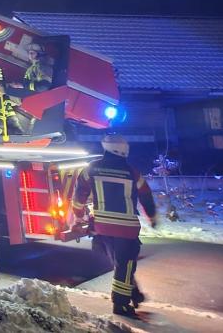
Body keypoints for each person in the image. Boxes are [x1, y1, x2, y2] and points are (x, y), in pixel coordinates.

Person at [72, 134, 157, 318]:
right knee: (125, 265)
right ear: (124, 151)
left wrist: (78, 216)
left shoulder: (91, 170)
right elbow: (146, 196)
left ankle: (132, 293)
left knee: (120, 265)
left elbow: (79, 196)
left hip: (102, 228)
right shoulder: (133, 172)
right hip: (126, 229)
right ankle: (121, 305)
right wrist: (152, 216)